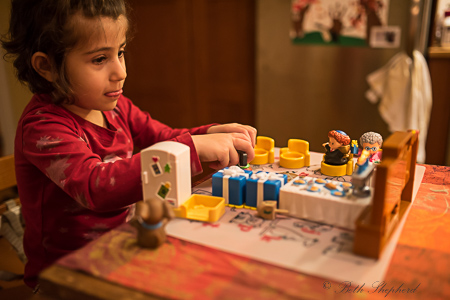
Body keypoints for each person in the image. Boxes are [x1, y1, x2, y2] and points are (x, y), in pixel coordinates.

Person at [0, 0, 256, 290]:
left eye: (120, 52)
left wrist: (209, 132)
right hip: (67, 278)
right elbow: (96, 186)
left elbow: (164, 137)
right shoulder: (42, 127)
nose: (120, 71)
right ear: (46, 66)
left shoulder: (115, 107)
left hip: (124, 246)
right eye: (99, 59)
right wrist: (192, 148)